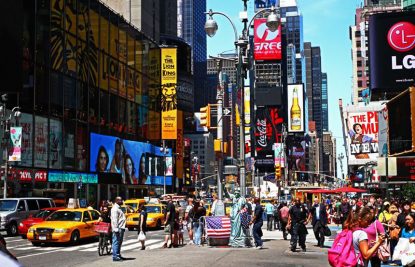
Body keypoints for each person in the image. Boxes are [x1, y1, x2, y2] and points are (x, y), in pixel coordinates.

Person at [111, 196, 126, 262]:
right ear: (117, 201)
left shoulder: (118, 208)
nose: (122, 201)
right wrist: (116, 229)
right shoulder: (115, 209)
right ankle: (115, 256)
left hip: (121, 227)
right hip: (118, 228)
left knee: (119, 242)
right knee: (116, 242)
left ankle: (118, 254)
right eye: (121, 200)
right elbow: (114, 219)